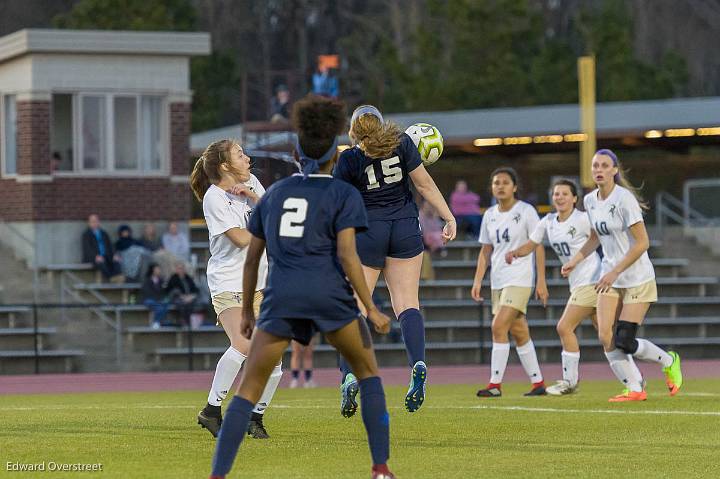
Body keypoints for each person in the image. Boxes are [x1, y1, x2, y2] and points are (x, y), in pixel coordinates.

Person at [208, 95, 395, 479]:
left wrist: (246, 313)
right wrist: (371, 307)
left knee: (251, 386)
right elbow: (347, 255)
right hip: (330, 296)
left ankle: (218, 474)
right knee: (368, 374)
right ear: (335, 157)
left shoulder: (274, 193)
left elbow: (254, 253)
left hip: (282, 296)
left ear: (295, 153)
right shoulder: (344, 193)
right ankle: (380, 468)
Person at [333, 104, 456, 414]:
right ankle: (417, 362)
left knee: (355, 309)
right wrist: (448, 216)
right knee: (407, 304)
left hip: (368, 233)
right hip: (404, 229)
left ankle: (349, 375)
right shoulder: (402, 142)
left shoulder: (349, 158)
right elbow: (424, 184)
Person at [562, 149, 683, 402]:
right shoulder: (590, 200)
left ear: (615, 170)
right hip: (611, 277)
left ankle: (669, 360)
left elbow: (642, 243)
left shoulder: (624, 199)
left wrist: (615, 270)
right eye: (595, 165)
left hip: (637, 277)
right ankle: (635, 387)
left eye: (605, 165)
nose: (599, 170)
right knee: (605, 335)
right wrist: (575, 260)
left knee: (625, 340)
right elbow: (596, 235)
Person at [190, 138, 281, 440]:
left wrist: (254, 196)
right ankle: (212, 410)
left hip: (261, 282)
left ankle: (255, 417)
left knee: (274, 355)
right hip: (229, 282)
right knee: (244, 345)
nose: (247, 159)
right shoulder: (214, 197)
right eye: (240, 155)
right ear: (224, 165)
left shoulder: (252, 182)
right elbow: (242, 239)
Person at [505, 179, 601, 395]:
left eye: (564, 193)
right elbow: (532, 244)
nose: (559, 197)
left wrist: (575, 261)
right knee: (607, 335)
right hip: (578, 283)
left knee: (564, 327)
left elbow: (598, 237)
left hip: (593, 279)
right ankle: (645, 370)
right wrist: (515, 253)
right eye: (556, 193)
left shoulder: (583, 219)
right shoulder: (548, 221)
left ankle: (570, 382)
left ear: (575, 198)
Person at [472, 167, 548, 397]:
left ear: (514, 187)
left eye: (505, 182)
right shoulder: (489, 215)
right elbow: (486, 251)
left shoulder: (526, 211)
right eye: (496, 183)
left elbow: (538, 245)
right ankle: (538, 383)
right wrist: (478, 281)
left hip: (520, 278)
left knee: (498, 326)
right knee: (519, 331)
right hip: (498, 279)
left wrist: (541, 281)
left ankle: (495, 385)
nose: (500, 186)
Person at [81, 214, 123, 283]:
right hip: (92, 257)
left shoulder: (104, 233)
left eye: (96, 221)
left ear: (98, 222)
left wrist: (114, 255)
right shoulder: (86, 235)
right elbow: (87, 249)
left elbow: (110, 246)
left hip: (105, 255)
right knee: (101, 262)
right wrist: (95, 256)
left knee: (116, 260)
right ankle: (111, 277)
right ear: (89, 223)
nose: (94, 223)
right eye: (92, 221)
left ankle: (117, 276)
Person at [166, 262, 201, 327]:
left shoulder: (188, 278)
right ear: (176, 269)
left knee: (194, 303)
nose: (181, 270)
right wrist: (183, 297)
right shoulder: (173, 278)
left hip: (189, 298)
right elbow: (171, 290)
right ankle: (184, 321)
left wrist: (191, 297)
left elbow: (195, 290)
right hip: (178, 298)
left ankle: (190, 322)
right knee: (182, 304)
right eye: (179, 268)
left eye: (182, 268)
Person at [141, 263, 169, 329]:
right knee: (159, 307)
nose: (159, 270)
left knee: (166, 302)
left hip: (158, 299)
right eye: (157, 269)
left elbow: (163, 292)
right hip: (148, 299)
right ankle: (157, 322)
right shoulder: (147, 280)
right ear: (153, 270)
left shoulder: (161, 280)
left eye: (159, 269)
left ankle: (158, 321)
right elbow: (147, 292)